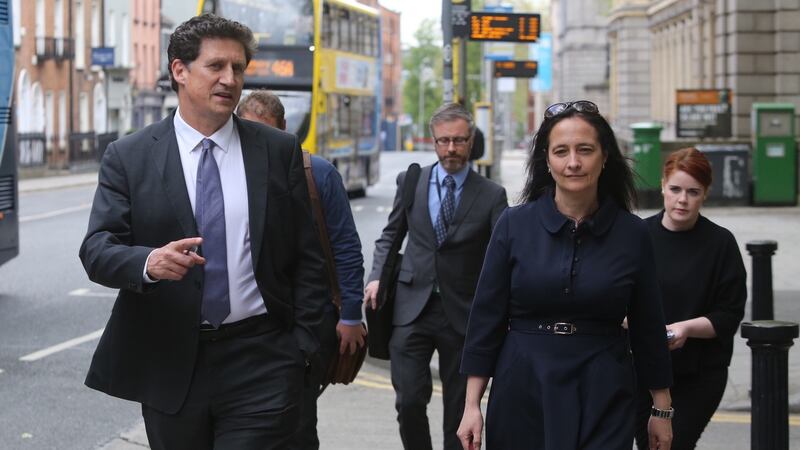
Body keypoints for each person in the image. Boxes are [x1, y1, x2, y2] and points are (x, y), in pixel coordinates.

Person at [79, 14, 328, 450]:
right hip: (171, 361)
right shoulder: (130, 156)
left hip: (263, 358)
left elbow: (306, 256)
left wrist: (302, 350)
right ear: (179, 70)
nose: (230, 79)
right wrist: (149, 263)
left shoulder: (277, 151)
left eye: (238, 68)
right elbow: (97, 249)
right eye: (216, 66)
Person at [457, 100, 674, 450]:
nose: (573, 162)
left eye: (585, 150)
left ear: (604, 157)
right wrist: (471, 406)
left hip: (604, 387)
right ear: (547, 160)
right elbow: (486, 319)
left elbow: (648, 325)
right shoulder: (513, 225)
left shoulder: (633, 234)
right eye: (561, 151)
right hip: (523, 384)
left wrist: (661, 409)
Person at [365, 102, 508, 450]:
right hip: (411, 307)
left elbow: (503, 257)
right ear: (433, 141)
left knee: (458, 410)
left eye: (459, 140)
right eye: (443, 141)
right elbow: (391, 234)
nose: (451, 149)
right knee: (409, 400)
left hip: (464, 313)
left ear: (471, 140)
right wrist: (376, 277)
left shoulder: (491, 195)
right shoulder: (411, 180)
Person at [237, 90, 367, 450]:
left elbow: (345, 247)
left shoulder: (318, 174)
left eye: (267, 132)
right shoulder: (230, 175)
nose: (258, 141)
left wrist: (352, 316)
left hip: (307, 322)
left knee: (297, 422)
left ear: (284, 132)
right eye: (248, 131)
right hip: (250, 326)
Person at [634, 148, 746, 450]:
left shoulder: (720, 243)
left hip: (700, 373)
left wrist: (685, 328)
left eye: (693, 192)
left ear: (705, 193)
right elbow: (616, 299)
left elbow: (729, 313)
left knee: (675, 444)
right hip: (642, 371)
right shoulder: (637, 237)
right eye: (675, 189)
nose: (683, 199)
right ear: (662, 186)